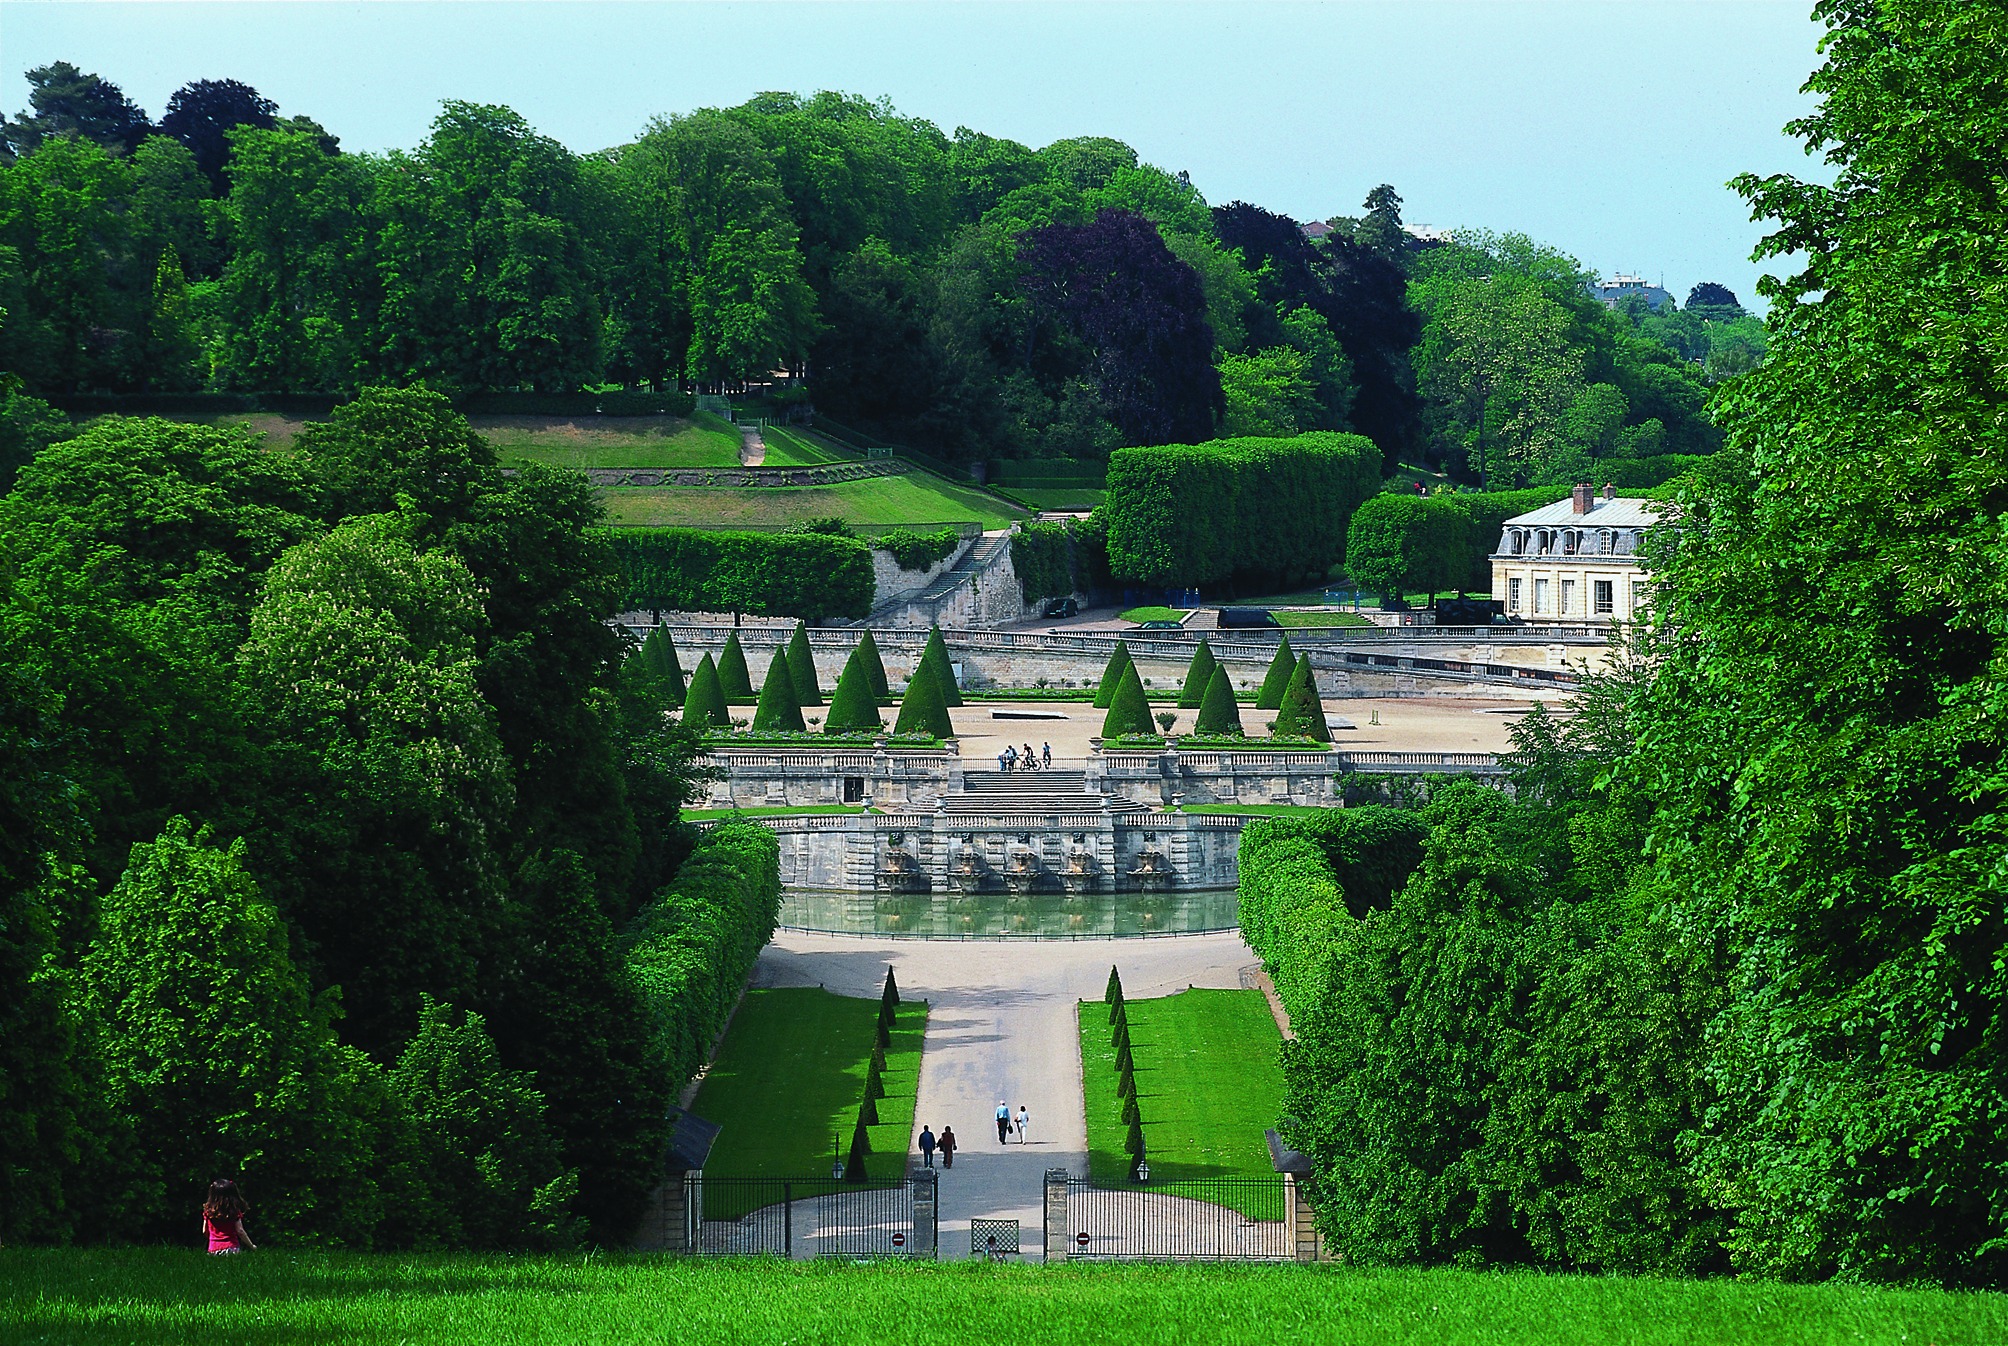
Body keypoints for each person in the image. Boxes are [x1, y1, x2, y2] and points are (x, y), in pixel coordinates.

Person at [202, 1179, 255, 1255]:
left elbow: (205, 1231)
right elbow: (240, 1231)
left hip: (213, 1249)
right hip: (231, 1248)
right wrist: (252, 1246)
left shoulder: (208, 1212)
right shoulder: (234, 1212)